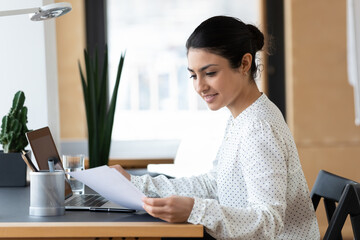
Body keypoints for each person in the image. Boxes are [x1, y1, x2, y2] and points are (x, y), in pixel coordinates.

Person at [111, 16, 320, 240]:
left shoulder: (258, 128)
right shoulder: (242, 118)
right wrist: (137, 184)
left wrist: (195, 210)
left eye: (210, 73)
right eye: (193, 75)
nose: (200, 86)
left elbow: (269, 222)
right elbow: (215, 184)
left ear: (244, 64)